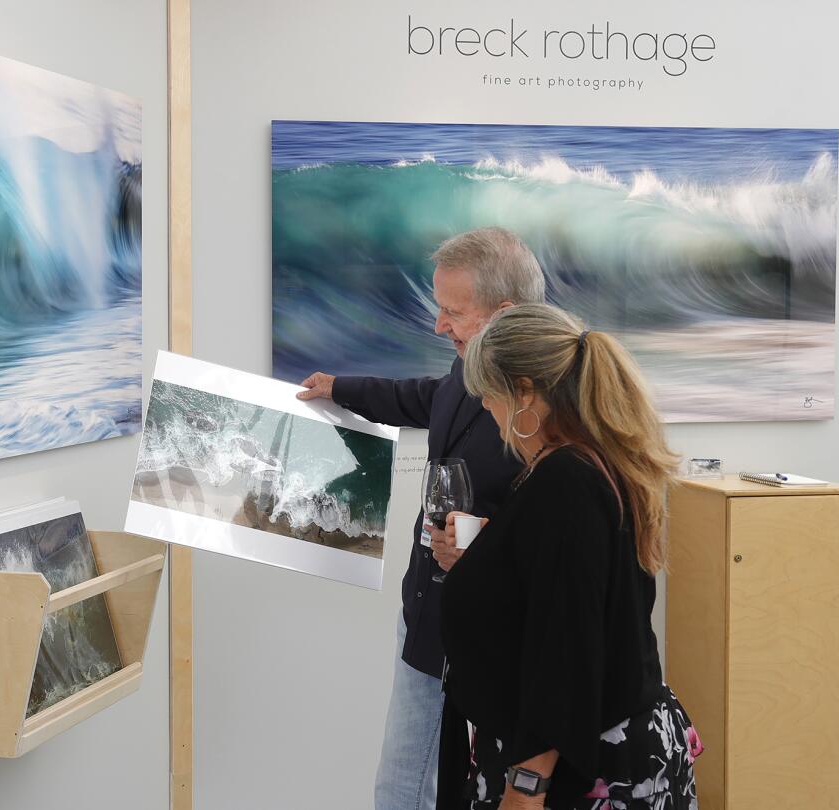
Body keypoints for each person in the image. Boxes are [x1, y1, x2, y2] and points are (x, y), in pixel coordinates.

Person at [297, 227, 546, 810]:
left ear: (502, 315)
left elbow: (563, 539)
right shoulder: (468, 372)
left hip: (495, 638)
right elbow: (424, 396)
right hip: (429, 618)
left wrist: (482, 546)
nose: (438, 325)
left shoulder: (547, 409)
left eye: (452, 312)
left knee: (409, 792)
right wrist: (341, 388)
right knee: (412, 787)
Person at [436, 303, 701, 809]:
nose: (485, 408)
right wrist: (495, 550)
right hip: (607, 743)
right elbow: (570, 586)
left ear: (526, 393)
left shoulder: (564, 482)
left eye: (489, 393)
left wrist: (527, 785)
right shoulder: (591, 462)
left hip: (579, 767)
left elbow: (566, 647)